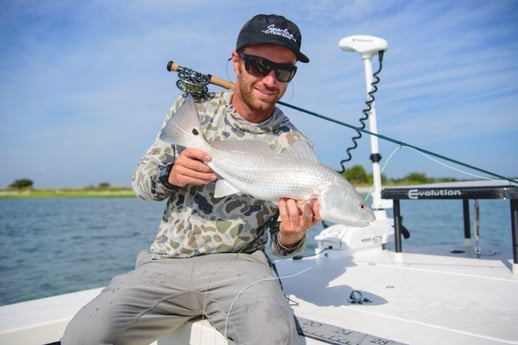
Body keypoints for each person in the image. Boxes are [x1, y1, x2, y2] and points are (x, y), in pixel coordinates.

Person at [62, 14, 320, 345]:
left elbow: (279, 245)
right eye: (258, 66)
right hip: (166, 263)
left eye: (283, 72)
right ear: (236, 62)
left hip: (241, 268)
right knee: (83, 336)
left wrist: (290, 237)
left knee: (274, 338)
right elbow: (141, 182)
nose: (270, 81)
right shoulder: (192, 110)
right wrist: (169, 175)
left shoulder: (295, 146)